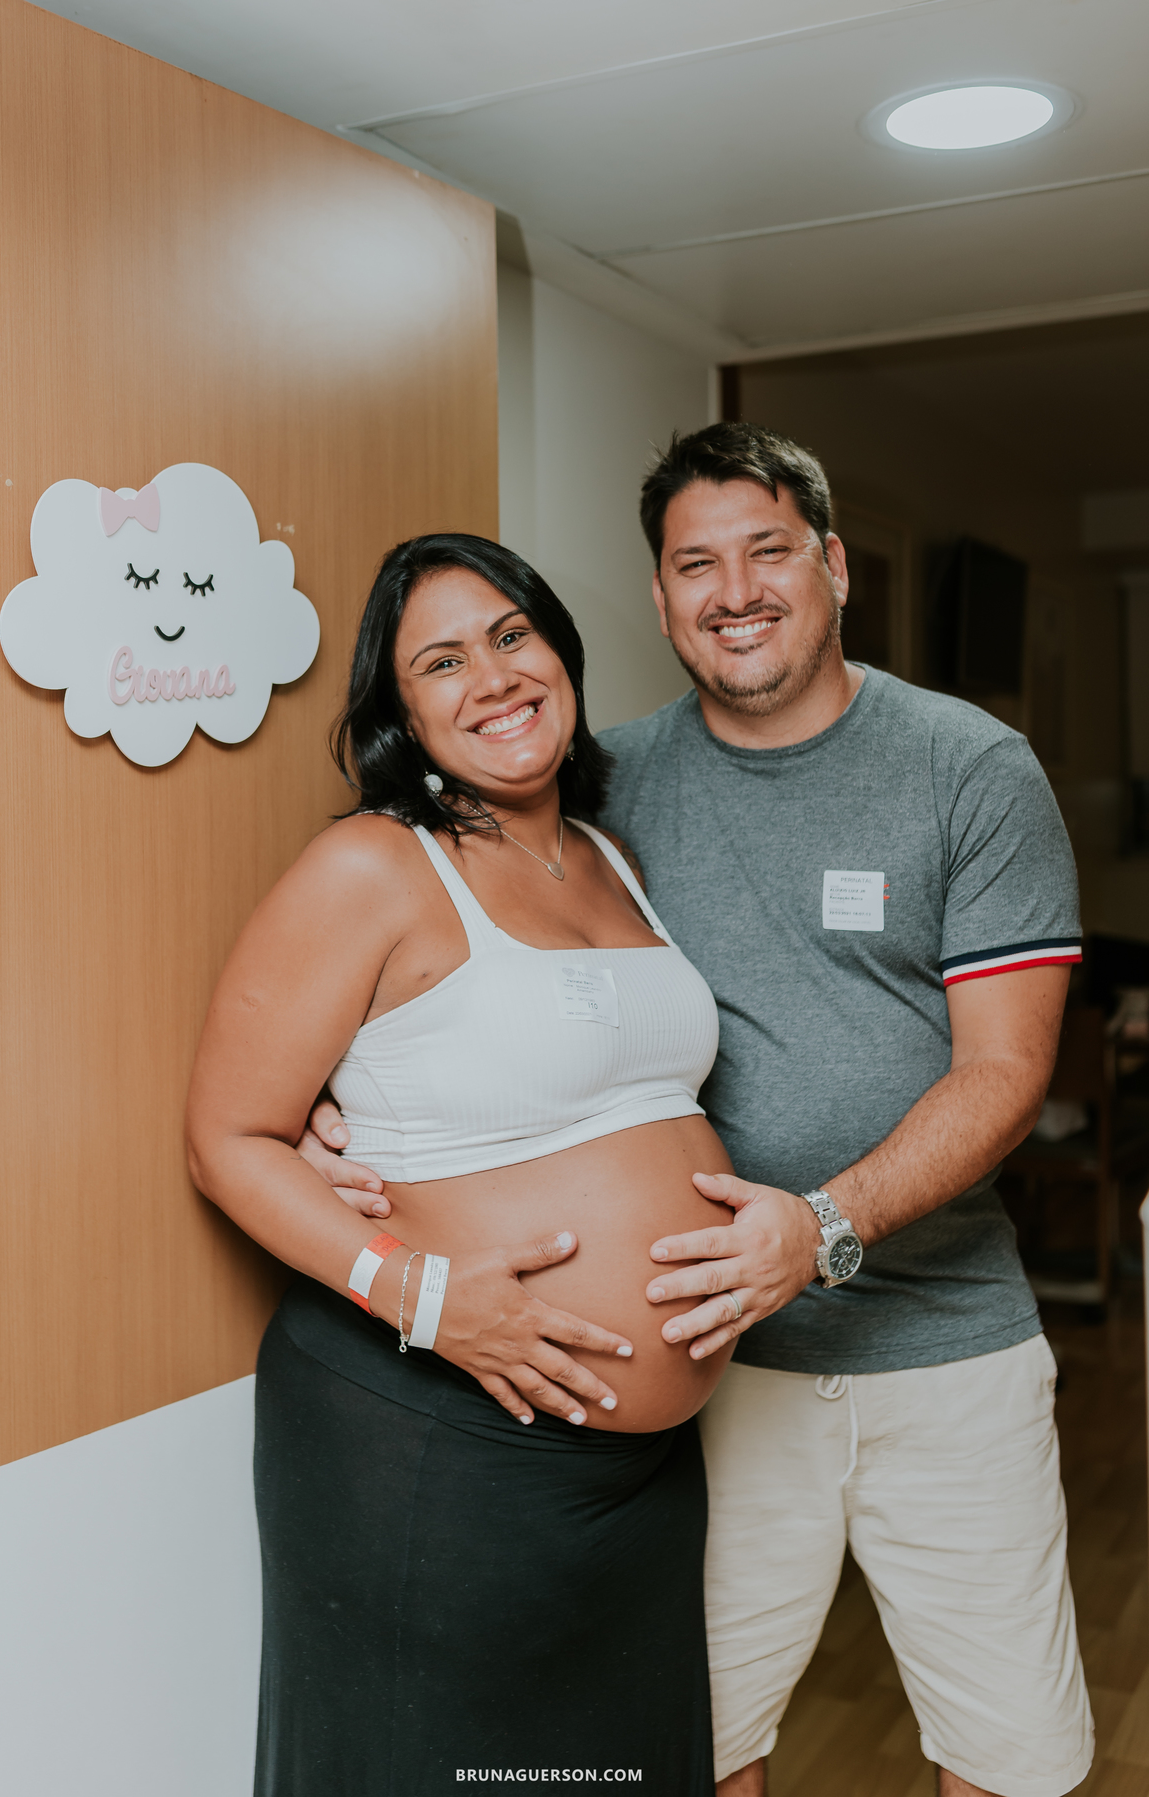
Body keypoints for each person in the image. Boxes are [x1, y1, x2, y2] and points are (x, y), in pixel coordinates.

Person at [304, 424, 1095, 1797]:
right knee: (699, 1741)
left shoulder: (970, 769)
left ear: (835, 566)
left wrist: (823, 1226)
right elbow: (457, 961)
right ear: (659, 597)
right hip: (710, 1365)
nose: (735, 591)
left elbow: (1006, 1071)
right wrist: (334, 1093)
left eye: (769, 550)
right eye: (695, 564)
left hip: (948, 1342)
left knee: (1008, 1755)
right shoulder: (602, 789)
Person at [185, 532, 740, 1796]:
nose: (491, 676)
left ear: (560, 650)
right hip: (437, 1432)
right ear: (402, 712)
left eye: (510, 634)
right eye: (441, 660)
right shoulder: (371, 865)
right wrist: (433, 1302)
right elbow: (230, 1139)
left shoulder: (611, 861)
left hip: (640, 1468)